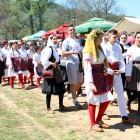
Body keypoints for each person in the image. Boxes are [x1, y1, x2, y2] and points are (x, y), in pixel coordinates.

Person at [83, 28, 114, 132]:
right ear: (94, 39)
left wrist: (107, 70)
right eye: (100, 38)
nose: (101, 39)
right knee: (92, 100)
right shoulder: (88, 52)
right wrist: (91, 83)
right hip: (92, 77)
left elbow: (101, 63)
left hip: (101, 76)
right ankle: (92, 123)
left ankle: (99, 119)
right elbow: (87, 69)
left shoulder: (99, 49)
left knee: (107, 98)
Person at [103, 29, 136, 123]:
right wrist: (109, 71)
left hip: (116, 73)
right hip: (108, 73)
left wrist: (120, 70)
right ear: (109, 37)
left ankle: (124, 116)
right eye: (114, 37)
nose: (116, 38)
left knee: (120, 94)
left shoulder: (118, 48)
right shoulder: (104, 48)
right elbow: (103, 63)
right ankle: (104, 113)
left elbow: (121, 61)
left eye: (116, 36)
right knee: (106, 93)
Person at [41, 35, 69, 114]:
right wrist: (52, 64)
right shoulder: (49, 49)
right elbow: (44, 60)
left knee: (61, 88)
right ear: (50, 40)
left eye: (56, 39)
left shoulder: (54, 49)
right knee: (49, 90)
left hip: (56, 71)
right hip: (50, 72)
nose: (55, 40)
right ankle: (48, 108)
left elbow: (58, 61)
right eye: (54, 39)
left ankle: (61, 105)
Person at [62, 24, 83, 109]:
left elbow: (80, 51)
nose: (72, 31)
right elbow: (63, 53)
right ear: (68, 31)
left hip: (79, 63)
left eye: (73, 29)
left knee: (80, 81)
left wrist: (81, 58)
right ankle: (75, 101)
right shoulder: (66, 41)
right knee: (73, 83)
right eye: (70, 30)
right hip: (71, 63)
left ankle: (71, 93)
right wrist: (72, 52)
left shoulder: (77, 40)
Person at [125, 32, 140, 114]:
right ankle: (128, 101)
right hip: (134, 69)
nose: (139, 39)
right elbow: (129, 62)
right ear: (135, 38)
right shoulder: (131, 49)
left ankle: (139, 109)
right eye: (138, 37)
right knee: (136, 91)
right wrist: (128, 75)